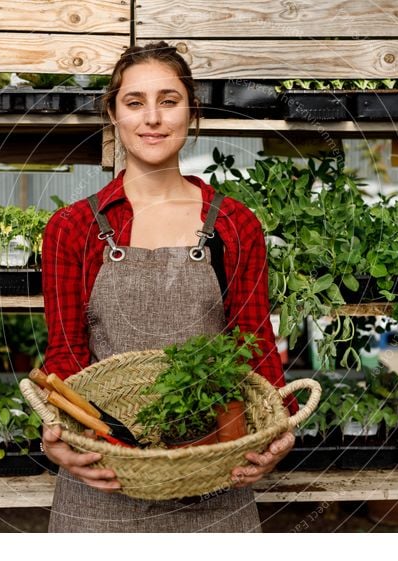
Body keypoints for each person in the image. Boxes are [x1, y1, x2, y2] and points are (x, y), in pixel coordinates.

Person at [40, 41, 296, 532]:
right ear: (113, 114)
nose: (152, 118)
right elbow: (66, 355)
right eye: (134, 102)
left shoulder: (235, 224)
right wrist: (60, 433)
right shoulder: (72, 228)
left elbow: (255, 342)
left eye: (169, 100)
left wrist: (277, 429)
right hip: (102, 475)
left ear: (191, 112)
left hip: (215, 467)